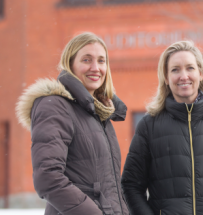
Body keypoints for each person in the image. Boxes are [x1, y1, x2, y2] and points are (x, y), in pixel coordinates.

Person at [121, 41, 203, 215]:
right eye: (175, 70)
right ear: (166, 78)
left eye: (190, 68)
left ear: (201, 74)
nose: (183, 76)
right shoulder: (149, 125)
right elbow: (131, 185)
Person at [16, 32, 129, 215]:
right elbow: (48, 177)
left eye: (101, 61)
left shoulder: (99, 114)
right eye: (86, 60)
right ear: (70, 64)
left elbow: (108, 187)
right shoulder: (55, 106)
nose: (95, 67)